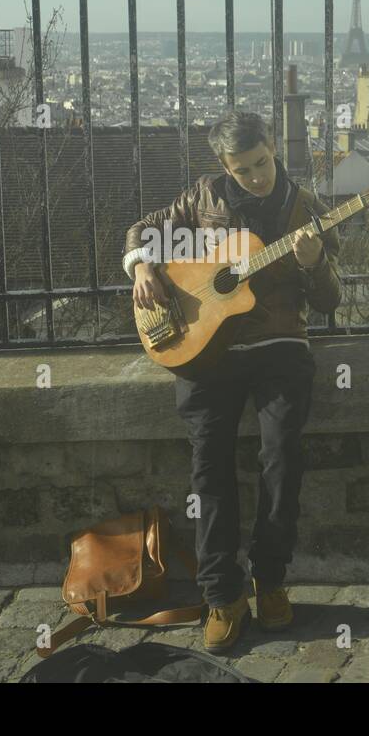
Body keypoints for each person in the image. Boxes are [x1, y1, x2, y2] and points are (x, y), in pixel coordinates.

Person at [121, 111, 342, 652]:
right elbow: (140, 232)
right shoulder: (202, 199)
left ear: (273, 147)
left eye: (263, 163)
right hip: (205, 352)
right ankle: (221, 596)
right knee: (209, 469)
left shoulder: (305, 208)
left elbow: (330, 300)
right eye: (243, 170)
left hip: (280, 349)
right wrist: (142, 266)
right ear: (225, 166)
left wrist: (313, 265)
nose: (257, 177)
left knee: (282, 457)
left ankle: (271, 581)